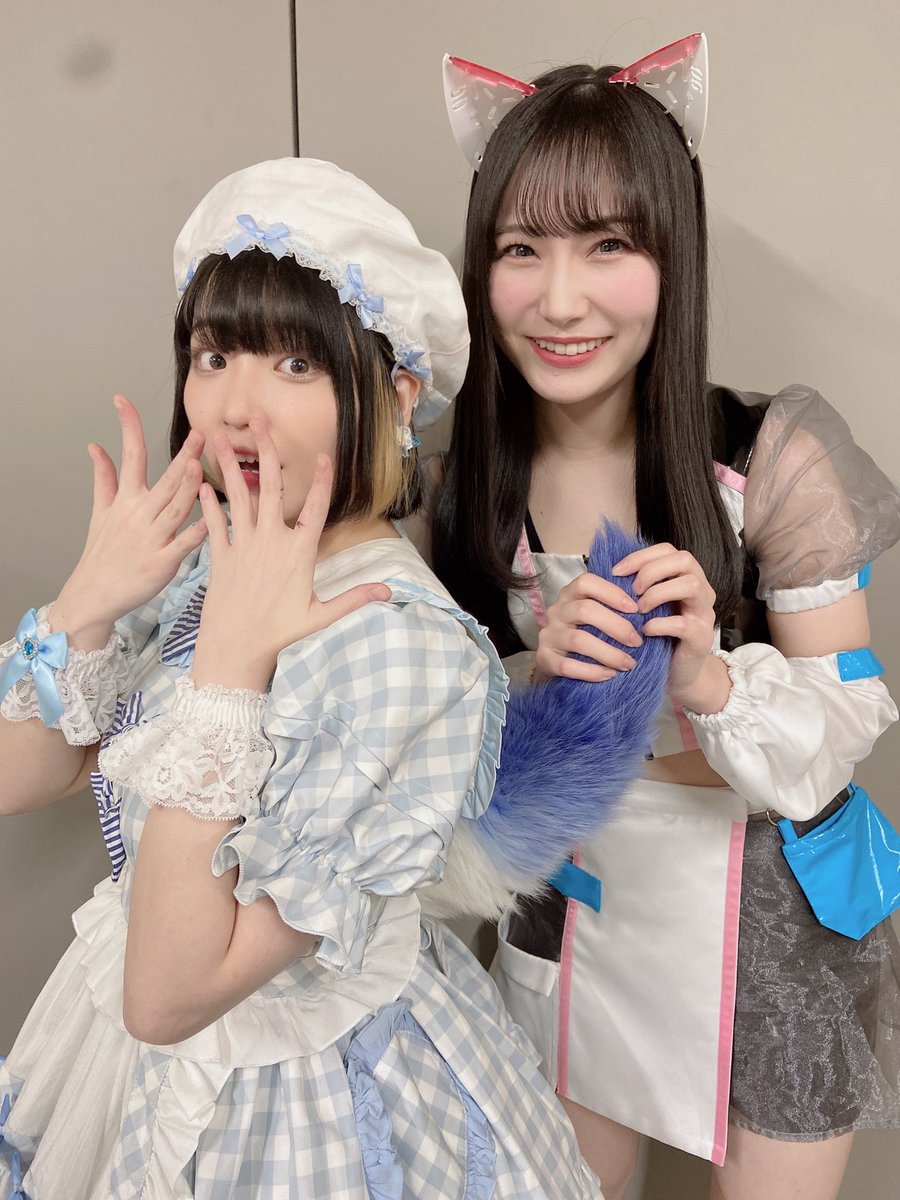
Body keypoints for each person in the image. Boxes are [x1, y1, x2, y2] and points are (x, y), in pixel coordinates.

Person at [0, 156, 635, 1199]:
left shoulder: (401, 646)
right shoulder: (217, 559)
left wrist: (230, 673)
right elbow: (21, 776)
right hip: (125, 1058)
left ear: (395, 393)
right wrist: (90, 599)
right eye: (214, 356)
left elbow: (169, 996)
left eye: (295, 364)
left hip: (303, 1099)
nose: (235, 408)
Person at [432, 37, 900, 1200]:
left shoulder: (772, 456)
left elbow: (845, 721)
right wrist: (538, 679)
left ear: (671, 255)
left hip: (769, 914)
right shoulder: (458, 485)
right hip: (571, 896)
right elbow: (422, 741)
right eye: (521, 249)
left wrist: (709, 681)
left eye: (608, 244)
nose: (561, 299)